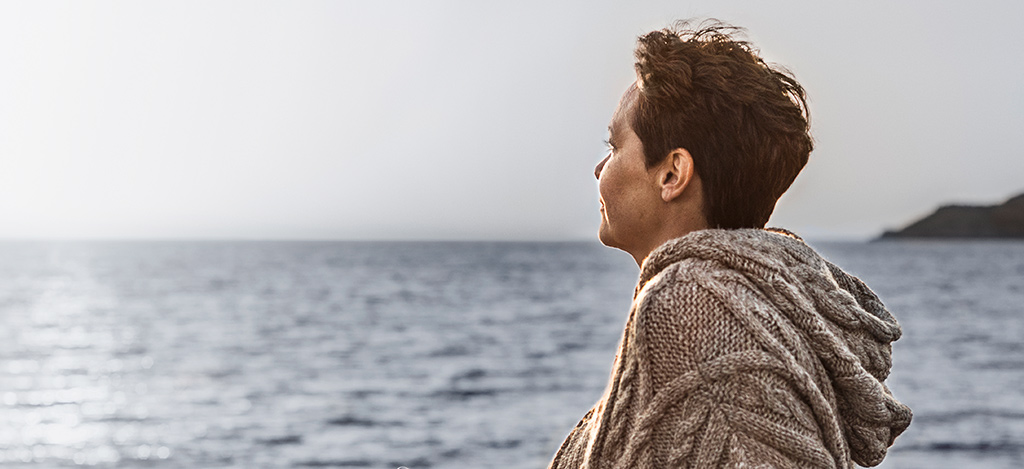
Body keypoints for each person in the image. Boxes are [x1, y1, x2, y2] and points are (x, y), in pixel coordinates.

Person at [547, 21, 911, 468]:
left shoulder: (690, 305)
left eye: (615, 144)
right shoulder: (751, 303)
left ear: (672, 174)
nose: (600, 168)